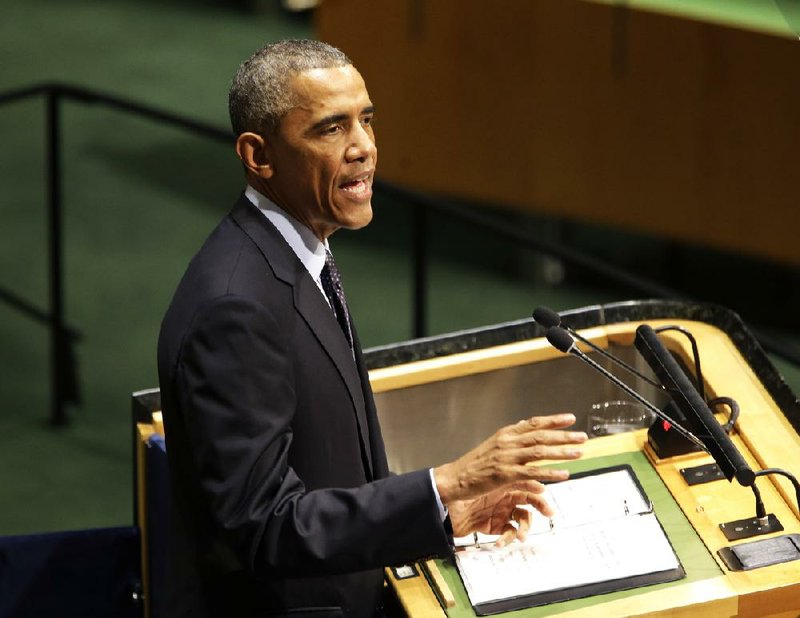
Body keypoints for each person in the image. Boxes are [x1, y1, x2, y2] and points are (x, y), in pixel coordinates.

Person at [157, 39, 587, 617]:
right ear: (259, 156)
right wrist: (445, 483)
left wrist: (438, 516)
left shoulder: (300, 250)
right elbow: (265, 527)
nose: (363, 147)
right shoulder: (236, 307)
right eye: (331, 129)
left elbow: (325, 470)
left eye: (366, 119)